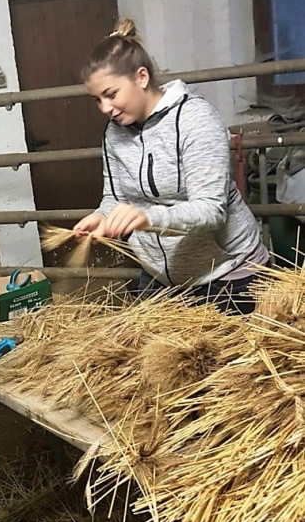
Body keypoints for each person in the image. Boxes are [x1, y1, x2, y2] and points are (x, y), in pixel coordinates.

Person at [73, 18, 269, 314]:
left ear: (141, 77)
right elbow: (115, 197)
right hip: (160, 277)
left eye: (111, 94)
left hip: (228, 273)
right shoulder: (114, 133)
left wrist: (146, 218)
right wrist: (102, 216)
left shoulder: (194, 119)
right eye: (97, 100)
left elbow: (211, 210)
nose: (105, 108)